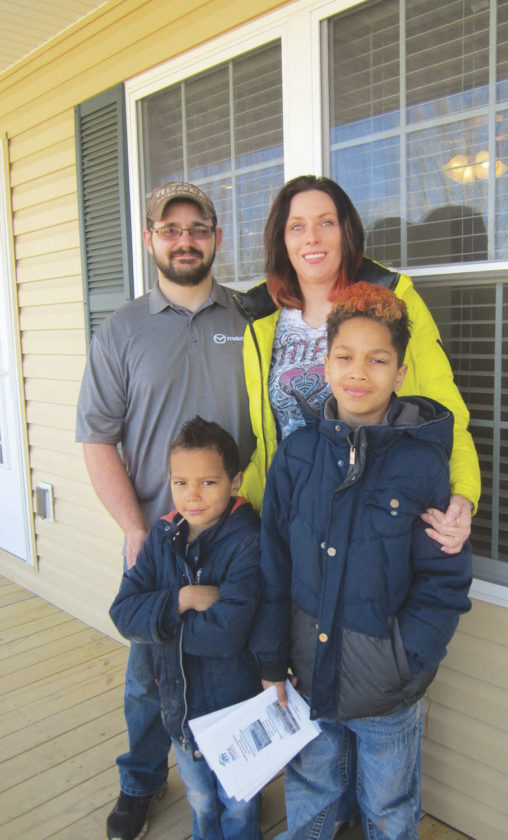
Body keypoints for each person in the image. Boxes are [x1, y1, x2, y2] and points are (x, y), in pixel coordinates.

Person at [252, 283, 473, 839]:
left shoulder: (423, 465)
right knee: (313, 794)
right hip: (309, 674)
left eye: (378, 360)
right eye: (345, 357)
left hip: (389, 689)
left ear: (400, 373)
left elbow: (443, 579)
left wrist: (409, 659)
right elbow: (275, 566)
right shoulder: (297, 456)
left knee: (389, 806)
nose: (359, 372)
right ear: (324, 365)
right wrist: (273, 660)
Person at [76, 181, 255, 840]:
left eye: (197, 226)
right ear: (149, 239)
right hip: (161, 543)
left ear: (215, 235)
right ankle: (142, 780)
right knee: (149, 674)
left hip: (238, 539)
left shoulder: (248, 321)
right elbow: (97, 437)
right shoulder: (121, 331)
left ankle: (237, 776)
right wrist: (133, 527)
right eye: (169, 227)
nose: (185, 239)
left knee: (236, 667)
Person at [233, 175, 480, 553]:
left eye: (325, 222)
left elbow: (445, 408)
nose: (311, 237)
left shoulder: (392, 301)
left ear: (346, 232)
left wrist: (463, 493)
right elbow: (273, 435)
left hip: (378, 516)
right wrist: (232, 499)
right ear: (282, 240)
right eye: (296, 226)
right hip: (291, 518)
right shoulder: (263, 319)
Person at [110, 416, 262, 840]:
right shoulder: (162, 537)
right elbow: (123, 612)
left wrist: (160, 626)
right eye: (180, 483)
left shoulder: (248, 541)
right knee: (200, 801)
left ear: (235, 482)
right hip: (180, 708)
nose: (192, 496)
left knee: (239, 805)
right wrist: (182, 599)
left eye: (208, 483)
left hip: (234, 708)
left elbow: (226, 633)